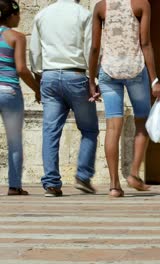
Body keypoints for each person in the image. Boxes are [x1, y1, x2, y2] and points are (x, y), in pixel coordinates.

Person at [88, 0, 160, 197]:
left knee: (113, 126)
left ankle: (114, 185)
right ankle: (133, 175)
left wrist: (91, 79)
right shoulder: (141, 4)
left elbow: (95, 47)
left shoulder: (101, 7)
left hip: (108, 71)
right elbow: (145, 43)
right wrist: (155, 79)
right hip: (135, 69)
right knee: (142, 119)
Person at [30, 0, 99, 197]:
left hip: (50, 77)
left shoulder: (42, 15)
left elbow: (35, 52)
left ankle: (51, 183)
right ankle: (83, 176)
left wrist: (39, 77)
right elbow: (90, 49)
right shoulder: (83, 14)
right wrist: (93, 79)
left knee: (50, 131)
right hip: (76, 75)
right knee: (89, 129)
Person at [0, 0, 40, 195]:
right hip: (9, 91)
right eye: (18, 15)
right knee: (14, 140)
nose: (20, 18)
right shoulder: (17, 37)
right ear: (11, 16)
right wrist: (36, 88)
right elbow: (22, 69)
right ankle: (14, 186)